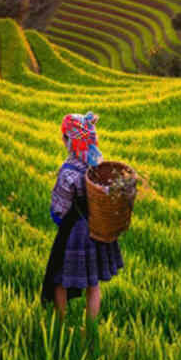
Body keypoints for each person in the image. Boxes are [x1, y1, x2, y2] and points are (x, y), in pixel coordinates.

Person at [41, 112, 123, 320]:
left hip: (74, 231)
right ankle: (91, 326)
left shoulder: (68, 172)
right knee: (93, 283)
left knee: (60, 278)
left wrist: (60, 221)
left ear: (69, 141)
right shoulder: (97, 166)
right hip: (97, 227)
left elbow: (59, 208)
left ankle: (60, 320)